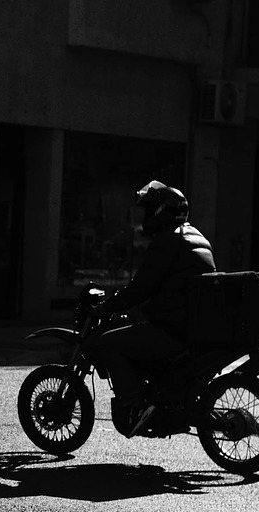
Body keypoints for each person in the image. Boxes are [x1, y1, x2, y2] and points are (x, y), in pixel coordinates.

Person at [93, 180, 216, 437]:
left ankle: (137, 405)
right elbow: (167, 287)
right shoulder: (195, 236)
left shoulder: (168, 241)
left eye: (149, 210)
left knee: (109, 343)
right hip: (191, 327)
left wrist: (109, 307)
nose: (145, 217)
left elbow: (143, 286)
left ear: (160, 212)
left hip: (173, 330)